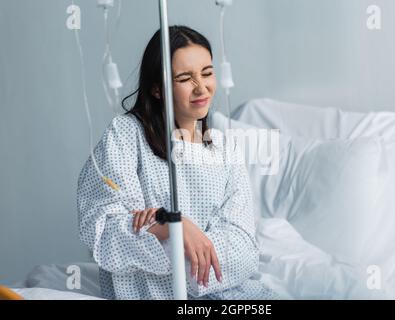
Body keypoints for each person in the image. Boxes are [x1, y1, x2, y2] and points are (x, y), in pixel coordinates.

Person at [77, 25, 278, 300]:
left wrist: (161, 232)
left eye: (207, 73)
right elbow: (104, 234)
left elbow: (243, 250)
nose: (201, 87)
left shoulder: (224, 146)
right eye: (185, 78)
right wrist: (176, 227)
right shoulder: (125, 135)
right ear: (158, 89)